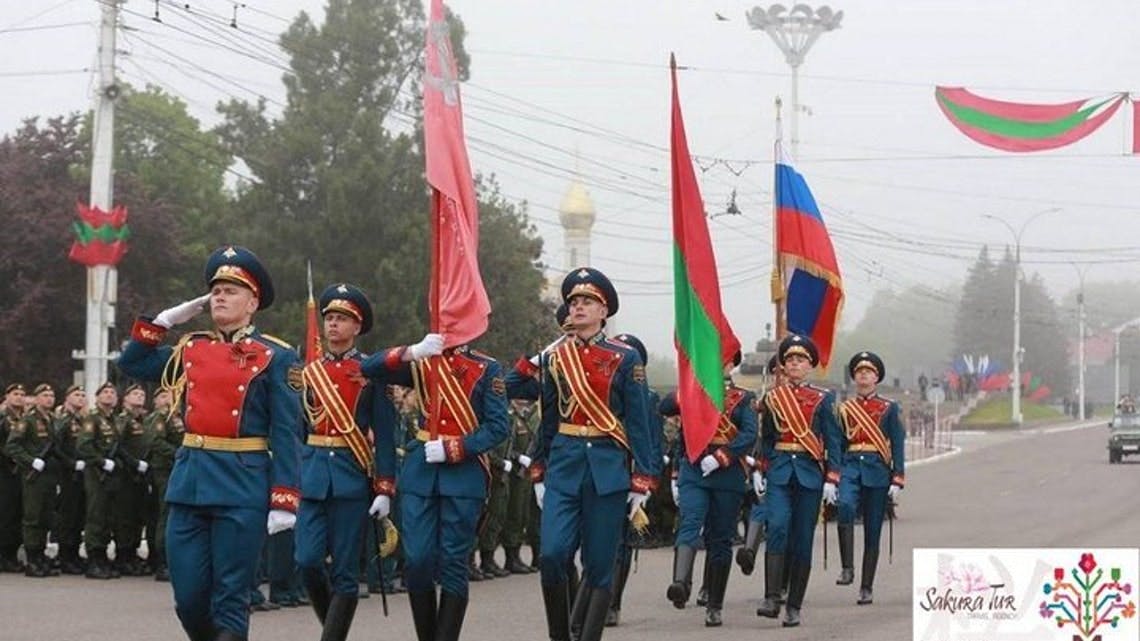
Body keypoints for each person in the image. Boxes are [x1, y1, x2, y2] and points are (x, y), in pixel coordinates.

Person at [117, 245, 302, 641]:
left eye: (231, 290)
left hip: (243, 485)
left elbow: (287, 432)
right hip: (191, 482)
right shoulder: (191, 349)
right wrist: (166, 320)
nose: (219, 295)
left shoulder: (276, 356)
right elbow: (132, 364)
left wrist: (284, 497)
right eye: (215, 289)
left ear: (253, 303)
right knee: (189, 600)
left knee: (230, 601)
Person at [530, 267, 660, 641]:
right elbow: (549, 420)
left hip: (607, 470)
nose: (578, 307)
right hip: (565, 466)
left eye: (587, 301)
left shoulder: (625, 358)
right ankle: (560, 635)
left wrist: (643, 478)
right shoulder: (554, 359)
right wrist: (539, 467)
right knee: (552, 555)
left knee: (600, 565)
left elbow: (640, 423)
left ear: (604, 311)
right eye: (573, 302)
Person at [361, 330, 507, 641]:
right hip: (421, 473)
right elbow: (370, 368)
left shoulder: (486, 368)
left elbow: (497, 427)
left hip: (463, 475)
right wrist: (412, 350)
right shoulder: (422, 362)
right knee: (418, 560)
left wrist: (456, 448)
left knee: (453, 562)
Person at [294, 283, 398, 641]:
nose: (334, 325)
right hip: (311, 477)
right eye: (330, 318)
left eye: (342, 319)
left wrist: (384, 487)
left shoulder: (371, 372)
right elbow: (296, 428)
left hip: (351, 479)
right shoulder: (309, 373)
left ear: (357, 327)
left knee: (344, 574)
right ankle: (334, 630)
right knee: (307, 561)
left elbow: (385, 434)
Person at [661, 352, 756, 627]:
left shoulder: (743, 398)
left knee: (720, 538)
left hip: (726, 473)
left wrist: (723, 456)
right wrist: (687, 386)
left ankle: (714, 604)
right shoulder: (693, 391)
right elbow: (665, 407)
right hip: (694, 467)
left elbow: (749, 434)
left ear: (731, 364)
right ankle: (680, 583)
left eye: (722, 359)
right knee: (690, 522)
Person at [755, 334, 842, 628]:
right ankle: (771, 597)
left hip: (809, 473)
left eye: (800, 360)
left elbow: (833, 440)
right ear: (784, 365)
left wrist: (832, 477)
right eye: (790, 359)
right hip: (779, 470)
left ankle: (794, 605)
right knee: (777, 526)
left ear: (810, 366)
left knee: (802, 539)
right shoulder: (772, 398)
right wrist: (761, 469)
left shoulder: (823, 399)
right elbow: (767, 438)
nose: (794, 364)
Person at [835, 352, 905, 605]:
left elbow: (897, 443)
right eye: (859, 372)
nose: (864, 375)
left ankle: (866, 586)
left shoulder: (888, 408)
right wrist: (832, 474)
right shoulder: (844, 409)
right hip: (851, 467)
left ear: (876, 377)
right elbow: (839, 443)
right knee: (844, 507)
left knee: (872, 530)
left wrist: (898, 478)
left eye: (869, 372)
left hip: (877, 470)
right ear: (854, 377)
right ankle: (847, 567)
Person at [607, 332, 661, 628]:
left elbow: (652, 440)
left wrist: (647, 479)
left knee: (619, 542)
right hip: (601, 468)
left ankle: (611, 603)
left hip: (630, 474)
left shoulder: (648, 398)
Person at [5, 384, 60, 577]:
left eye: (51, 395)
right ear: (36, 399)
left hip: (49, 477)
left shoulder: (52, 420)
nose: (49, 399)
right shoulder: (27, 420)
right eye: (44, 395)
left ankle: (41, 555)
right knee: (33, 518)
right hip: (33, 477)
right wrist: (30, 461)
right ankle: (32, 558)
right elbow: (12, 446)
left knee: (46, 517)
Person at [77, 381, 121, 580]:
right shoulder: (92, 419)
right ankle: (93, 560)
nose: (110, 395)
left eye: (112, 392)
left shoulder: (113, 420)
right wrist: (101, 461)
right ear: (97, 397)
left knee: (107, 516)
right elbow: (84, 446)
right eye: (105, 392)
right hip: (96, 473)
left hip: (111, 475)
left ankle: (102, 557)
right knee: (96, 515)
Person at [144, 387, 184, 581]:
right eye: (164, 395)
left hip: (178, 469)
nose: (170, 397)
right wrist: (178, 453)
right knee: (166, 514)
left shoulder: (179, 416)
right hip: (164, 470)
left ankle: (173, 559)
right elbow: (156, 442)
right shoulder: (159, 417)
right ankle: (162, 561)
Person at [114, 383, 154, 576]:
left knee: (138, 515)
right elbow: (118, 447)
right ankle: (124, 555)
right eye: (135, 394)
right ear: (125, 399)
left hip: (141, 473)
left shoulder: (143, 419)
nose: (139, 396)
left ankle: (132, 552)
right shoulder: (123, 420)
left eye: (141, 394)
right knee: (125, 516)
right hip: (127, 474)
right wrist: (134, 463)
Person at [53, 385, 89, 575]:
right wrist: (71, 464)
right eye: (76, 394)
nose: (81, 398)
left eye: (83, 395)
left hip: (82, 474)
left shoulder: (83, 420)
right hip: (67, 474)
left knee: (78, 516)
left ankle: (74, 554)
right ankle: (65, 556)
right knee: (68, 516)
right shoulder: (63, 421)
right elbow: (55, 448)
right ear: (67, 398)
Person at [0, 383, 26, 572]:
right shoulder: (3, 419)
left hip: (21, 473)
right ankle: (4, 556)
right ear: (7, 397)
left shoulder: (24, 419)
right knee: (6, 515)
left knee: (18, 514)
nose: (19, 397)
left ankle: (11, 554)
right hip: (5, 472)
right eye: (15, 394)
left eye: (22, 394)